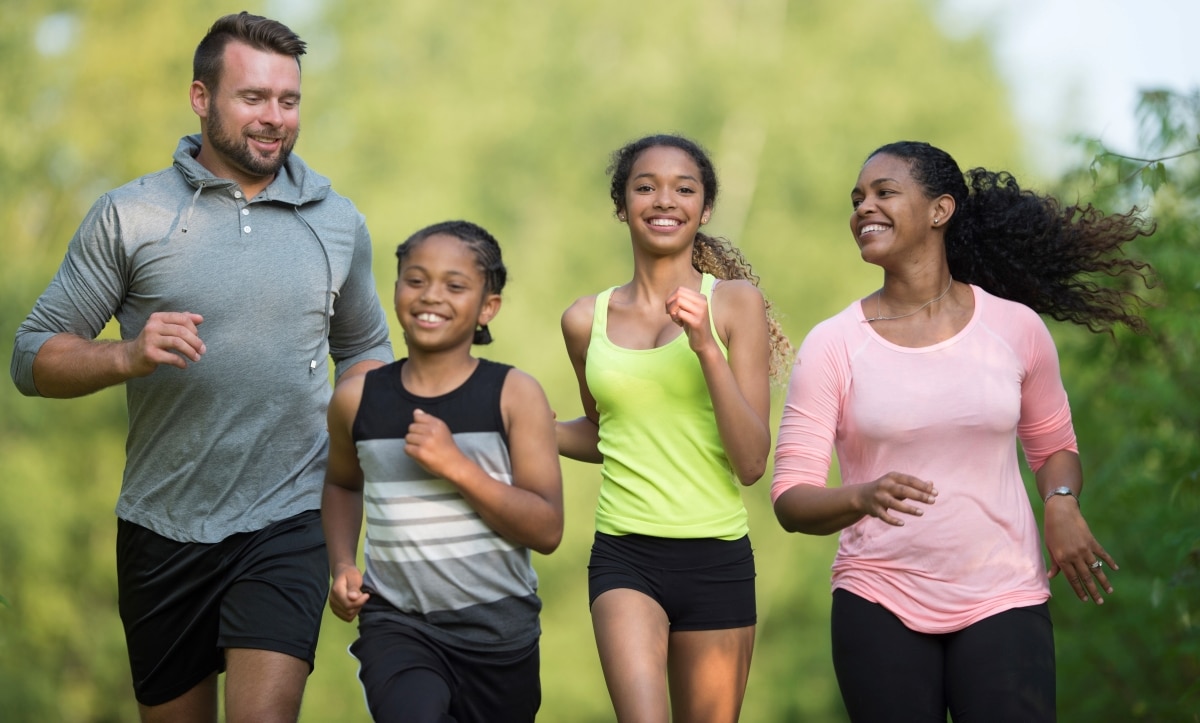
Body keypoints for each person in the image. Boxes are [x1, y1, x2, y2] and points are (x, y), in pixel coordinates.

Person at [9, 12, 393, 723]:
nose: (275, 118)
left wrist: (358, 417)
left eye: (289, 100)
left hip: (287, 521)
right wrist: (127, 354)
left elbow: (367, 348)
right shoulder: (133, 215)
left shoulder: (336, 222)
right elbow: (34, 356)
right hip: (162, 523)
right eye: (253, 98)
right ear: (201, 97)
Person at [771, 140, 1155, 721]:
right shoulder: (834, 344)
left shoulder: (1015, 328)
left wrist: (1060, 501)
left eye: (883, 193)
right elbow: (790, 499)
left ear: (940, 210)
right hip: (878, 595)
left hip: (1004, 595)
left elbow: (1056, 451)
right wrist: (861, 496)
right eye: (857, 199)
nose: (863, 208)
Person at [557, 134, 792, 723]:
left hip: (716, 558)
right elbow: (601, 432)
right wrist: (523, 428)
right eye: (646, 187)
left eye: (684, 188)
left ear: (704, 208)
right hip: (624, 555)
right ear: (621, 206)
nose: (665, 200)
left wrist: (705, 347)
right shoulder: (586, 320)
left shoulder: (737, 304)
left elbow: (751, 462)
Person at [322, 220, 564, 723]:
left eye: (455, 286)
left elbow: (546, 530)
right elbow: (343, 483)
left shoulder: (516, 394)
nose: (431, 296)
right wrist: (343, 563)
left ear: (486, 307)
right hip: (398, 625)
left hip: (501, 638)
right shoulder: (355, 398)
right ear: (395, 290)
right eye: (415, 279)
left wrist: (458, 468)